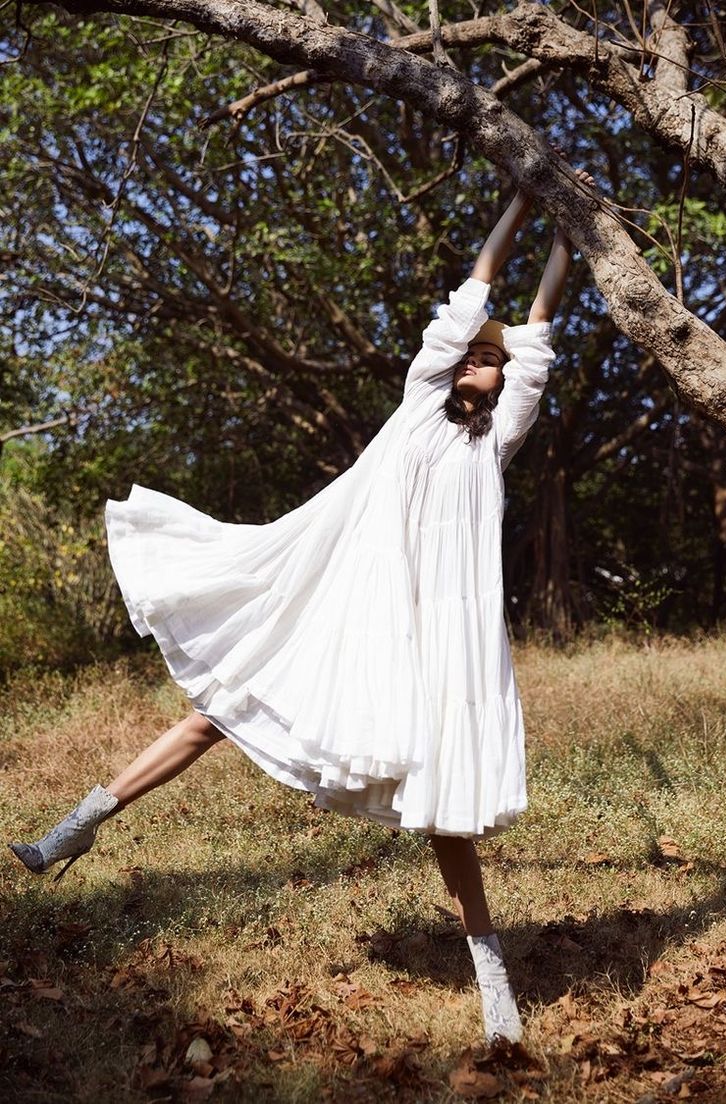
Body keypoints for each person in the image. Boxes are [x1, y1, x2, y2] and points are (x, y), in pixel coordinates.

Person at [10, 166, 594, 1046]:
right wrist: (523, 198)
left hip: (436, 635)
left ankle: (490, 973)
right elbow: (474, 291)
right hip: (347, 597)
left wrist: (570, 236)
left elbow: (539, 328)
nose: (488, 357)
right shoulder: (416, 404)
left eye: (496, 359)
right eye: (479, 350)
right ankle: (82, 822)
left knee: (442, 809)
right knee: (224, 709)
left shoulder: (497, 441)